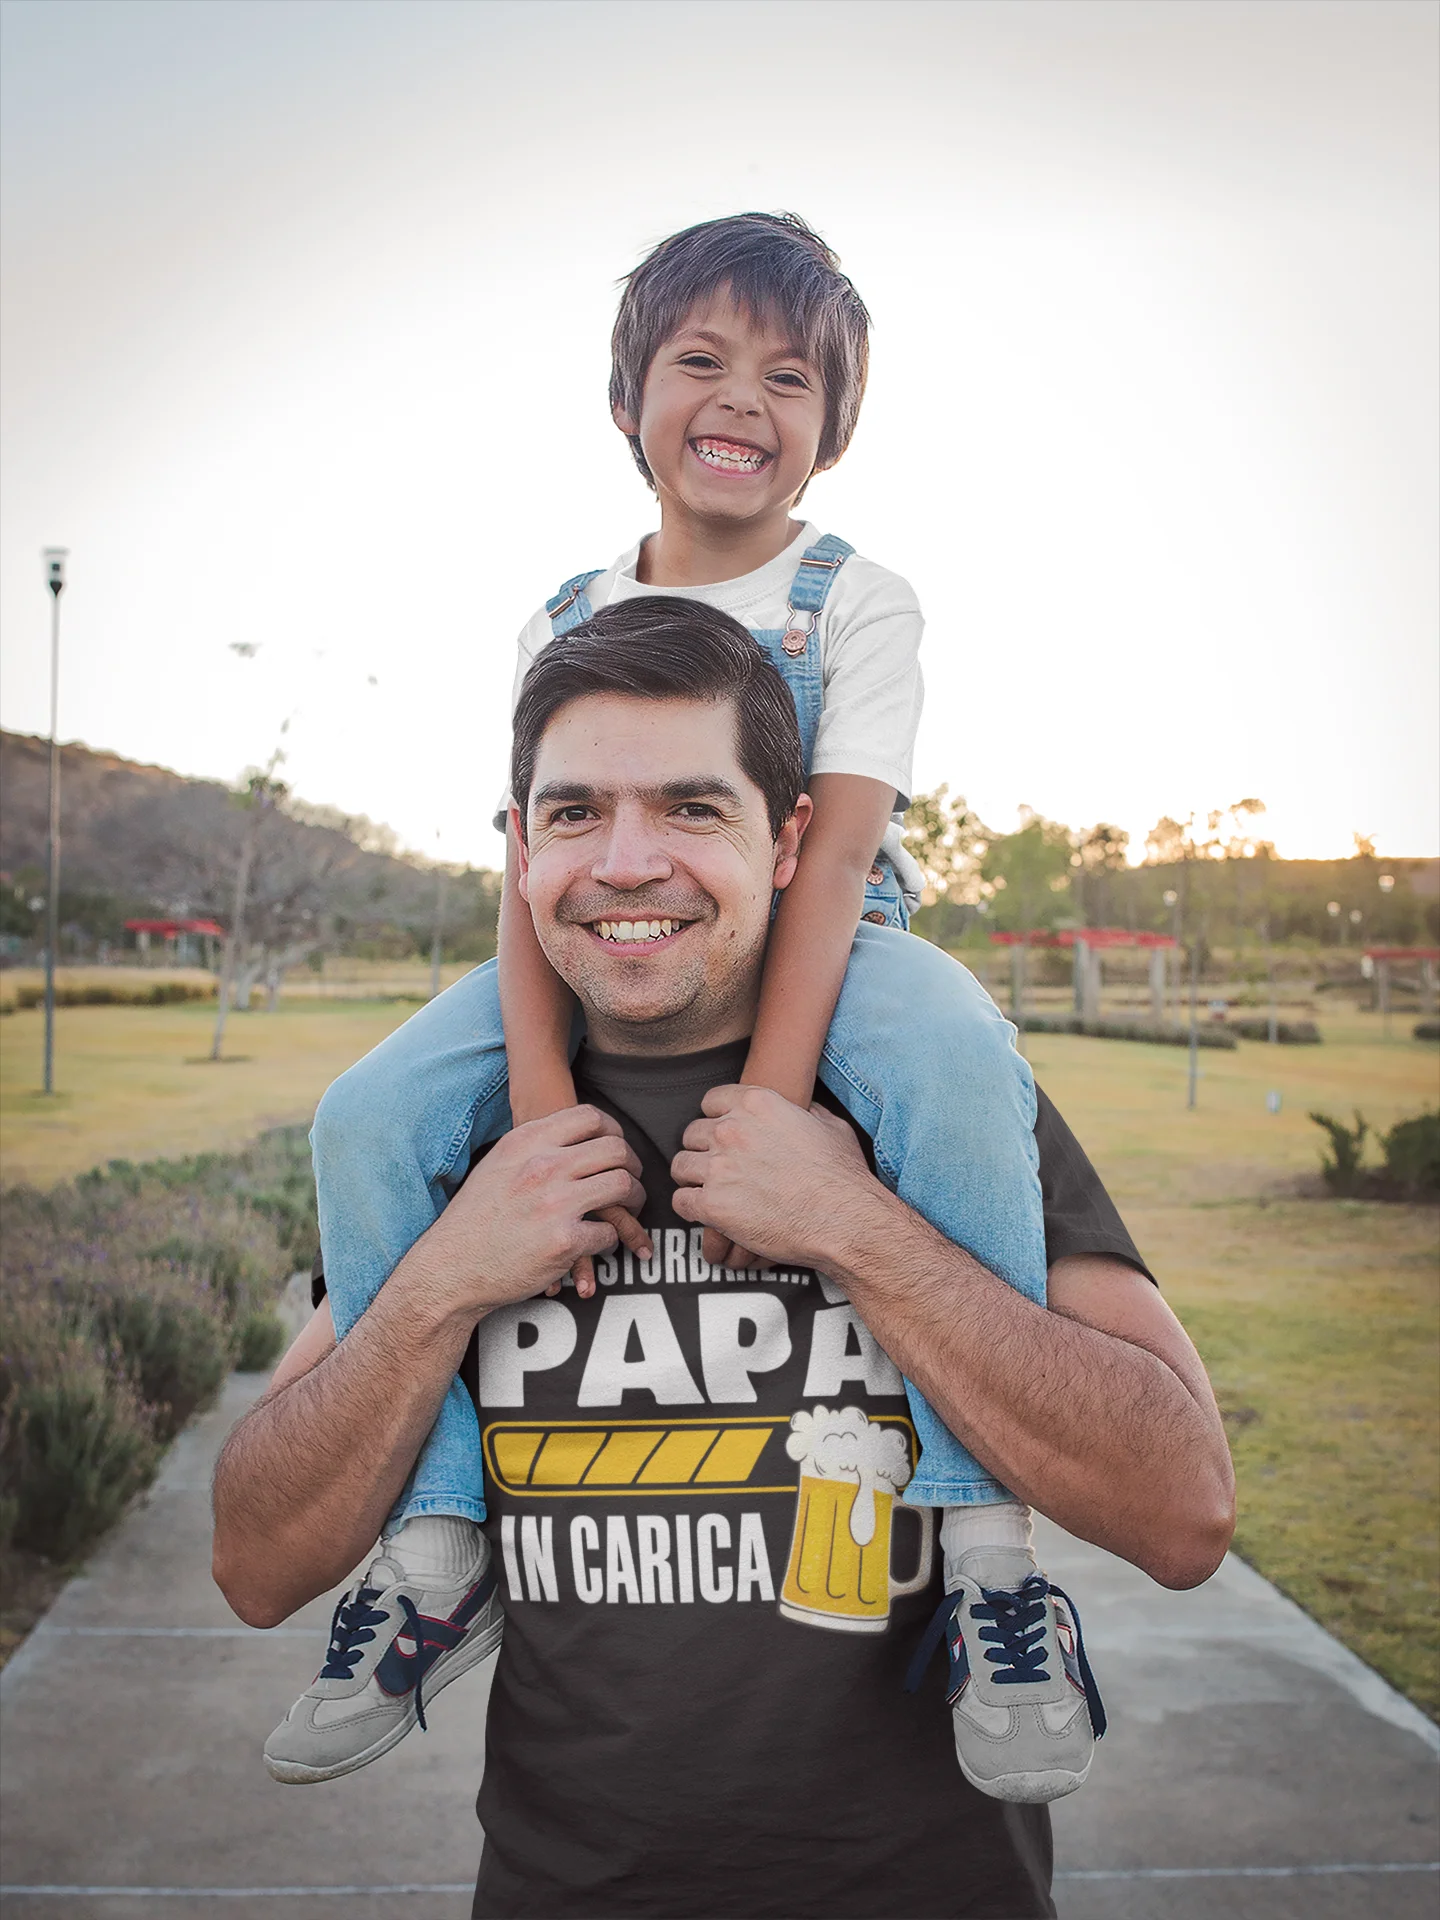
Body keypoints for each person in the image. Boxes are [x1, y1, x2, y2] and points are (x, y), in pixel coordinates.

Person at [261, 212, 1140, 1799]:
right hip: (604, 931)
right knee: (367, 1109)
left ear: (833, 431)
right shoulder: (563, 615)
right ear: (627, 403)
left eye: (790, 375)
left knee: (948, 1046)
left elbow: (840, 851)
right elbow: (535, 859)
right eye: (702, 360)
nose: (744, 397)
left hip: (830, 929)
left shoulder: (856, 603)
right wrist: (543, 1122)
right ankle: (440, 1537)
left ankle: (993, 1558)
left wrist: (778, 1113)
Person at [213, 607, 1234, 1919]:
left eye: (693, 809)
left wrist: (860, 1228)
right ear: (520, 846)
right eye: (574, 814)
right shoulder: (458, 1137)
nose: (627, 864)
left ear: (793, 839)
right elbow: (256, 1561)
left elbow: (1183, 1513)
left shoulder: (933, 1101)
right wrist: (445, 1281)